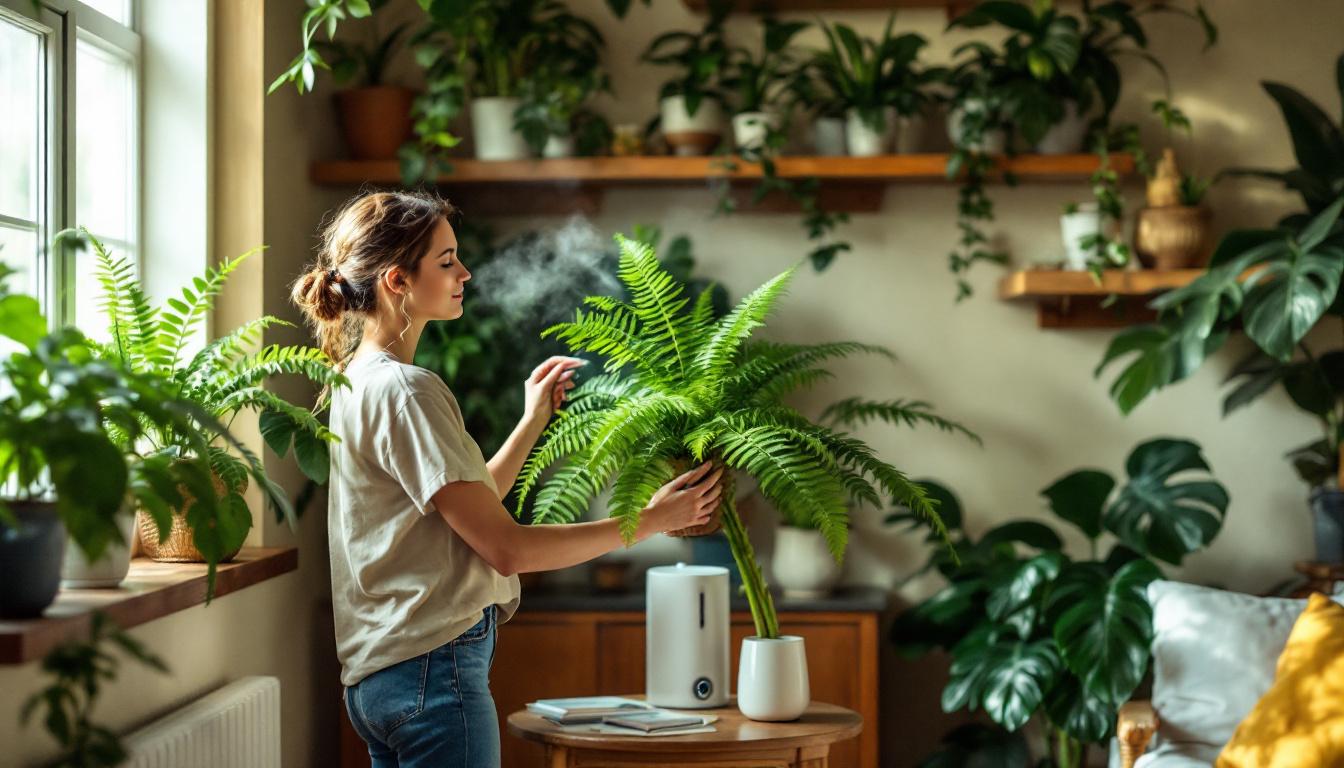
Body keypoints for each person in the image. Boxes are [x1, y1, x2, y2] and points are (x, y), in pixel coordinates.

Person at [291, 190, 723, 767]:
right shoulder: (407, 391)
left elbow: (472, 509)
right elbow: (506, 547)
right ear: (397, 280)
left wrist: (531, 421)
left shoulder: (357, 381)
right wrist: (650, 520)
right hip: (432, 676)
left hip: (379, 681)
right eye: (446, 261)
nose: (464, 273)